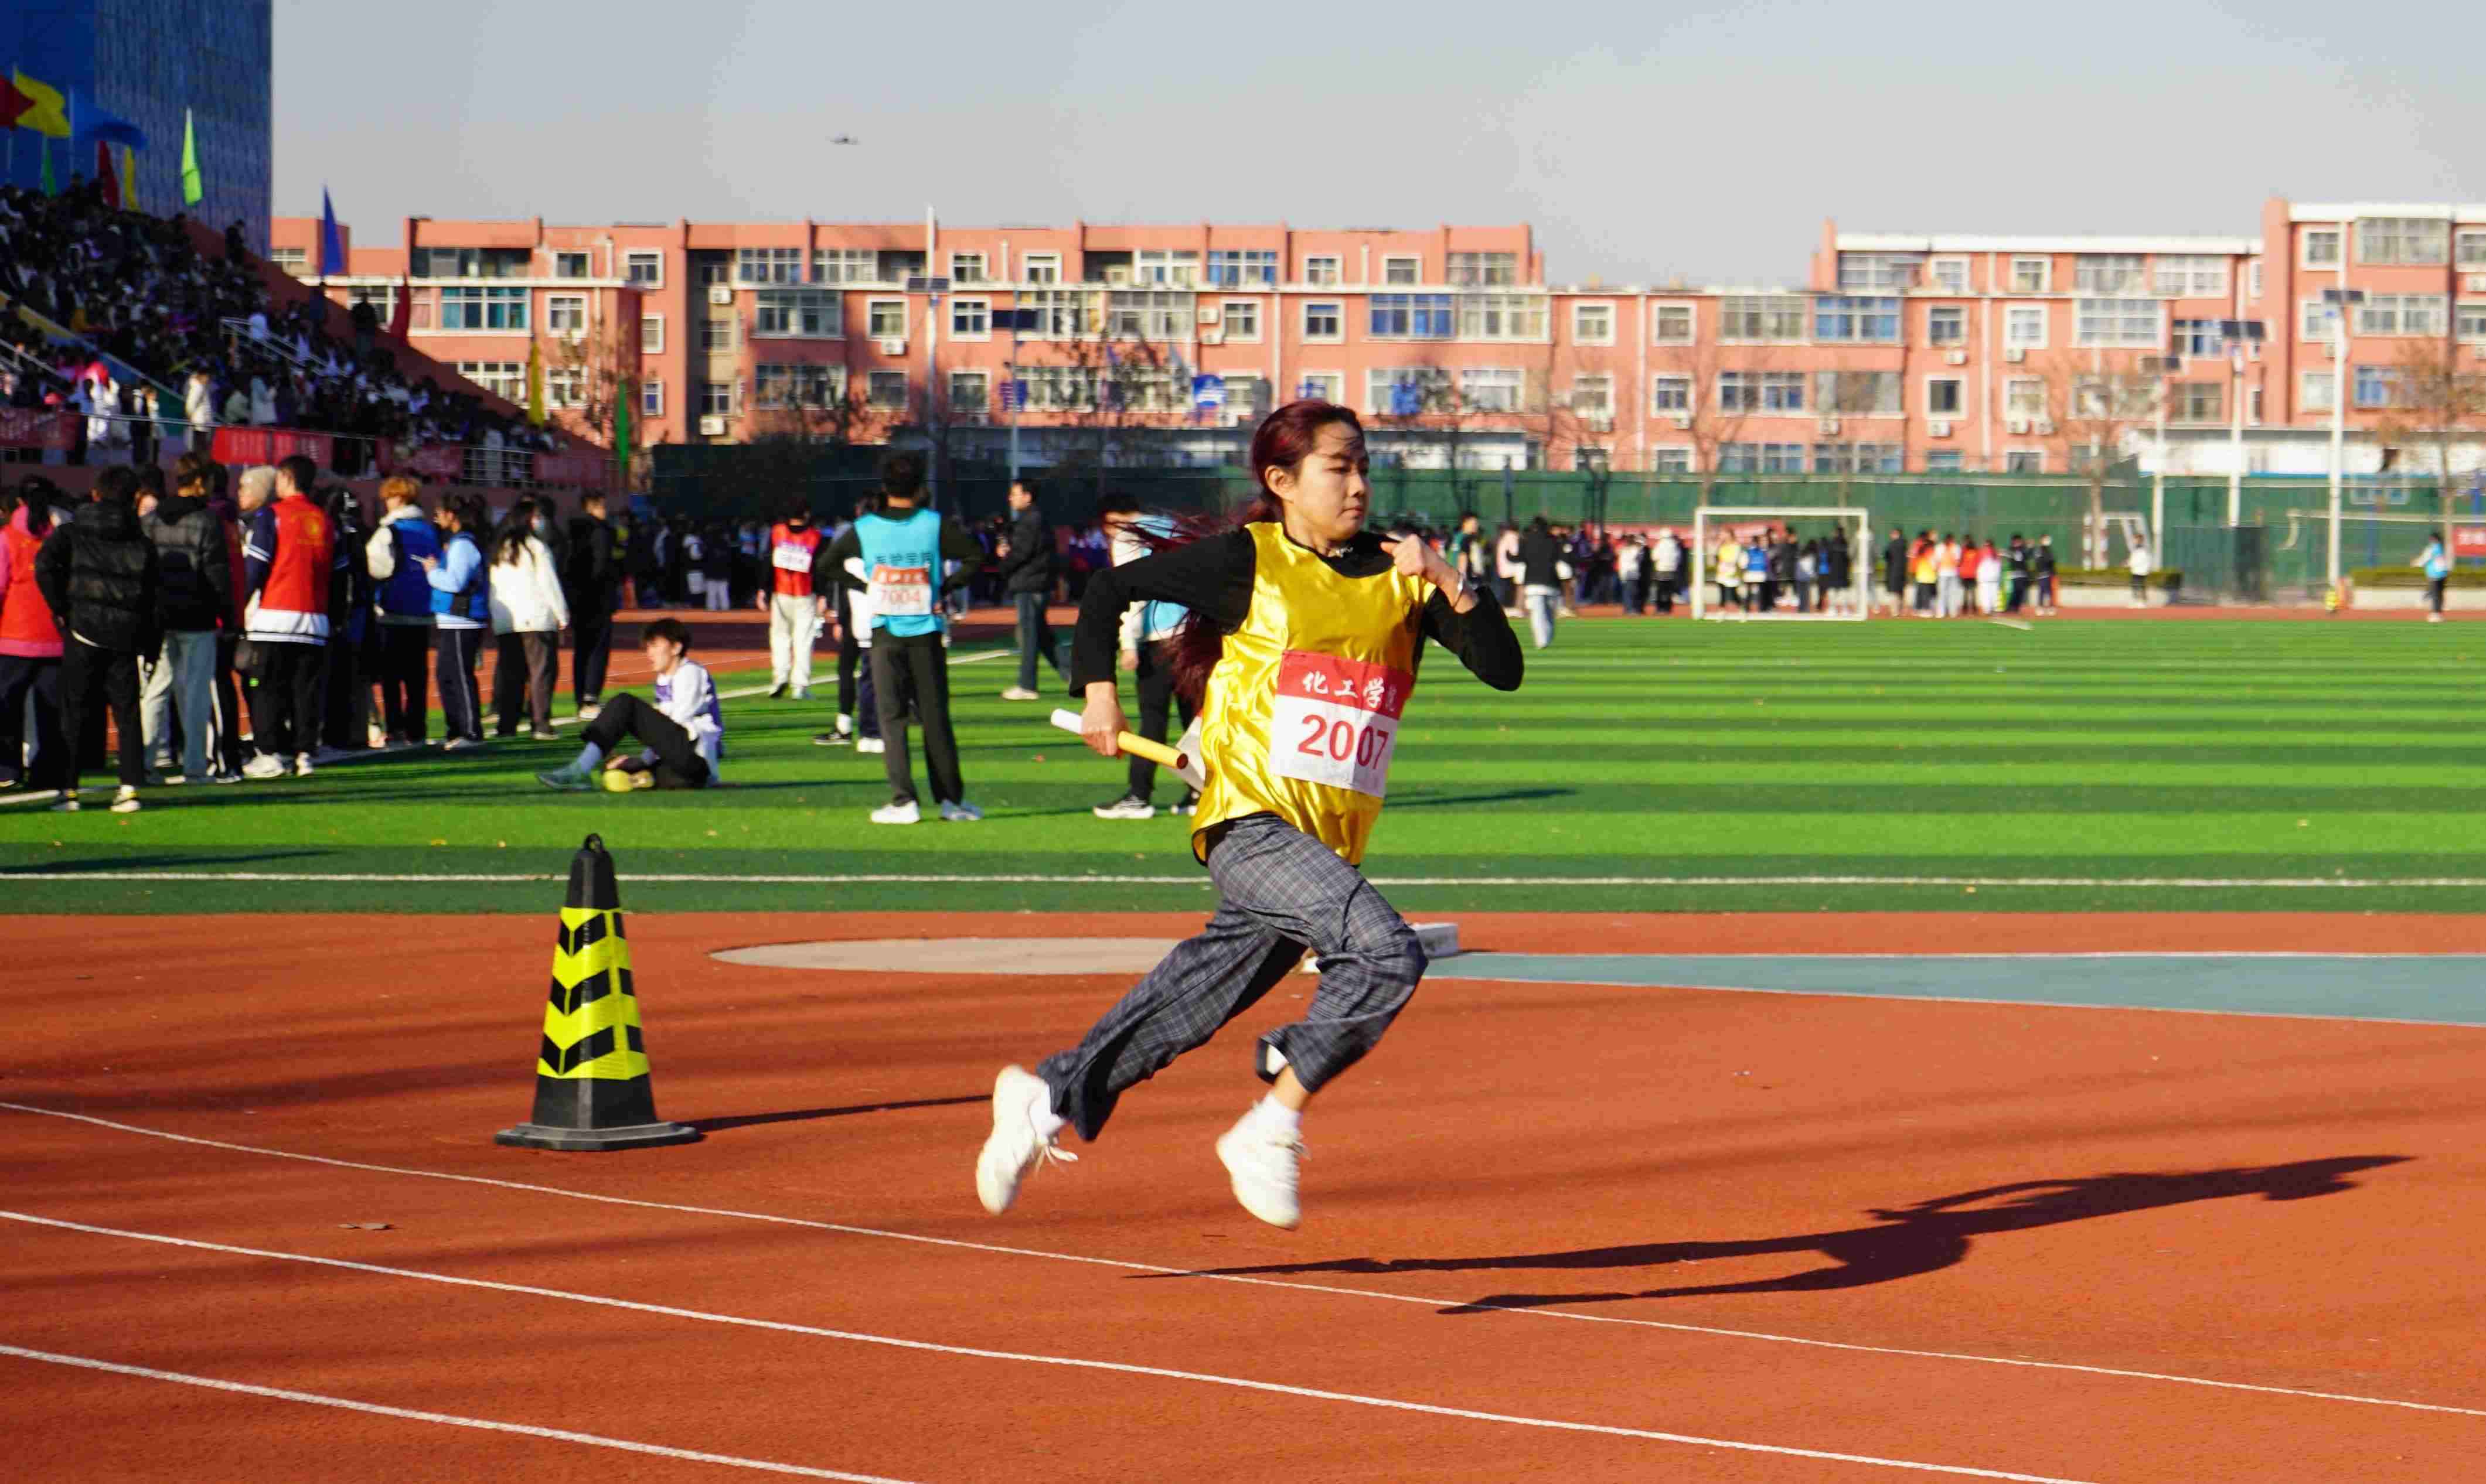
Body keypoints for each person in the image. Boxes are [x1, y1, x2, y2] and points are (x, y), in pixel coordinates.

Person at [972, 400, 1523, 1230]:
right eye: (1338, 468)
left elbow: (1503, 668)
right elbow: (1111, 587)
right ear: (1281, 481)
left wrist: (1451, 581)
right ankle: (1270, 1125)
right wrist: (1098, 694)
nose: (1358, 485)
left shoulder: (1402, 574)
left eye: (1364, 468)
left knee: (1186, 1005)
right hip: (1250, 823)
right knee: (1386, 952)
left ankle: (1044, 1097)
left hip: (1325, 846)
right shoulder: (1247, 560)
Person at [818, 452, 986, 823]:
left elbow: (827, 564)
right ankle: (952, 802)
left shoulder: (865, 528)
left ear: (884, 487)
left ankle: (903, 801)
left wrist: (864, 585)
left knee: (891, 718)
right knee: (935, 718)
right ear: (921, 487)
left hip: (885, 633)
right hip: (926, 633)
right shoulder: (934, 524)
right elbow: (976, 556)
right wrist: (946, 588)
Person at [33, 465, 159, 813]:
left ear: (96, 494)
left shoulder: (72, 532)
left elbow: (44, 567)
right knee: (127, 712)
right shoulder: (142, 542)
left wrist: (61, 608)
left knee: (73, 711)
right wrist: (151, 645)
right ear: (134, 498)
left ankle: (69, 790)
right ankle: (129, 788)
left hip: (82, 630)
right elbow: (154, 600)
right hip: (125, 635)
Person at [1089, 492, 1198, 820]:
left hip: (1158, 638)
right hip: (1190, 635)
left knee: (1153, 719)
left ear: (1112, 518)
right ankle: (1199, 791)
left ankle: (1140, 795)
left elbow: (1132, 592)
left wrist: (1128, 643)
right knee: (1192, 719)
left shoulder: (1128, 536)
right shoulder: (1173, 526)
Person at [239, 456, 339, 779]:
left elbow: (256, 567)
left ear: (285, 477)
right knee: (305, 693)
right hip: (315, 621)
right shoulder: (325, 521)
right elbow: (339, 574)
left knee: (267, 689)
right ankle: (304, 754)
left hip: (274, 619)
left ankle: (269, 754)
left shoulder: (272, 515)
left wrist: (237, 607)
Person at [537, 618, 722, 792]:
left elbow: (677, 723)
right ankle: (646, 777)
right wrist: (640, 762)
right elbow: (667, 732)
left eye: (655, 645)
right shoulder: (665, 679)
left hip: (696, 760)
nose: (649, 653)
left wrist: (645, 759)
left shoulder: (690, 672)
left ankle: (579, 770)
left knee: (624, 704)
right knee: (614, 768)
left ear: (676, 648)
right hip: (686, 770)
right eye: (648, 647)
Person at [138, 452, 234, 784]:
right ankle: (194, 766)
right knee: (195, 693)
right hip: (198, 616)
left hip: (159, 618)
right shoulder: (207, 521)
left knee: (155, 690)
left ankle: (144, 763)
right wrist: (228, 618)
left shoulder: (150, 521)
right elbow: (217, 575)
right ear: (199, 482)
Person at [0, 481, 69, 796]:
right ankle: (48, 772)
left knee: (7, 706)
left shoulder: (7, 537)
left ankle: (7, 769)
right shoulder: (59, 535)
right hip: (53, 634)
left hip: (13, 635)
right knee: (51, 711)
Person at [363, 477, 438, 747]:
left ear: (399, 498)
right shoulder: (429, 531)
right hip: (423, 609)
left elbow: (377, 568)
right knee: (417, 676)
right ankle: (417, 729)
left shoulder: (389, 531)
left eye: (389, 497)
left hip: (393, 609)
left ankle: (395, 728)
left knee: (392, 676)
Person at [488, 497, 569, 738]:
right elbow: (549, 584)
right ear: (528, 520)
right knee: (541, 672)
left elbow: (493, 587)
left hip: (508, 622)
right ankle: (541, 724)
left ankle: (507, 725)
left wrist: (497, 618)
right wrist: (562, 614)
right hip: (536, 619)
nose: (540, 522)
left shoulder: (499, 549)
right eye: (537, 517)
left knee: (512, 675)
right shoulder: (536, 548)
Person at [417, 492, 490, 749]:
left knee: (459, 676)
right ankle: (456, 730)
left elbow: (456, 582)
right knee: (446, 676)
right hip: (455, 620)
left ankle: (471, 733)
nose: (437, 517)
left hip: (463, 620)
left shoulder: (463, 545)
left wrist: (432, 572)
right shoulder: (459, 543)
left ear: (452, 515)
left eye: (440, 512)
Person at [995, 479, 1061, 702]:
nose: (1010, 498)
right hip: (1035, 582)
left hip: (1030, 584)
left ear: (1027, 496)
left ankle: (1027, 685)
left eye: (1014, 494)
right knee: (1043, 637)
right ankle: (1077, 677)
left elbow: (1021, 553)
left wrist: (1002, 566)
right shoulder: (1033, 520)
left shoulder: (1030, 521)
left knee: (1029, 635)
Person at [564, 489, 621, 718]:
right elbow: (601, 566)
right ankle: (590, 697)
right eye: (603, 506)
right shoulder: (600, 532)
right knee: (597, 650)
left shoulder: (571, 532)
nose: (606, 511)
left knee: (581, 651)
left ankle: (581, 697)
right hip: (597, 599)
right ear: (593, 507)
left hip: (578, 599)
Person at [762, 500, 825, 700]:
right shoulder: (815, 536)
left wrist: (763, 590)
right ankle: (800, 685)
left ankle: (779, 678)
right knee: (803, 639)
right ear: (806, 514)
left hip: (781, 593)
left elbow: (767, 562)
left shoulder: (777, 532)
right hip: (805, 594)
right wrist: (823, 595)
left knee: (779, 637)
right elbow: (820, 569)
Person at [2415, 530, 2450, 622]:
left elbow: (2424, 559)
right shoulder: (2442, 548)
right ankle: (2439, 614)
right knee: (2439, 595)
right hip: (2443, 574)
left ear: (2432, 539)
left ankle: (2435, 615)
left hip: (2434, 574)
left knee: (2435, 595)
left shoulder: (2432, 548)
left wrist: (2416, 563)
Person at [1652, 527, 1682, 615]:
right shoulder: (1675, 545)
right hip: (1672, 570)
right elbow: (1679, 558)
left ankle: (1659, 609)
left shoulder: (1660, 544)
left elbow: (1654, 557)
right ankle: (1668, 609)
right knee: (1669, 590)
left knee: (1660, 590)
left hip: (1661, 569)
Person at [1975, 540, 2003, 618]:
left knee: (1986, 594)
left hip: (1986, 578)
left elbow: (1978, 566)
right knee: (1992, 594)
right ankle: (1991, 610)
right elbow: (1999, 566)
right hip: (1993, 578)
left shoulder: (1982, 552)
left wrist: (1978, 577)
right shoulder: (1996, 553)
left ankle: (1987, 610)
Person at [2032, 535, 2058, 615]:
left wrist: (2053, 573)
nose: (2047, 541)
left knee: (2050, 592)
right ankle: (2040, 607)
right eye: (2045, 539)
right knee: (2042, 591)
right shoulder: (2039, 551)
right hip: (2042, 574)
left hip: (2049, 574)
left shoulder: (2049, 550)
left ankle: (2051, 607)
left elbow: (2052, 562)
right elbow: (2038, 562)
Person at [2128, 534, 2153, 608]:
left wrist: (2146, 569)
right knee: (2135, 585)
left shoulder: (2144, 549)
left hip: (2141, 571)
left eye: (2136, 539)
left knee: (2141, 585)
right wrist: (2129, 563)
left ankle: (2143, 602)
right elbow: (2133, 559)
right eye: (2135, 539)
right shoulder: (2135, 549)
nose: (2135, 541)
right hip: (2135, 571)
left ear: (2140, 540)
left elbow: (2144, 560)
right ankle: (2136, 601)